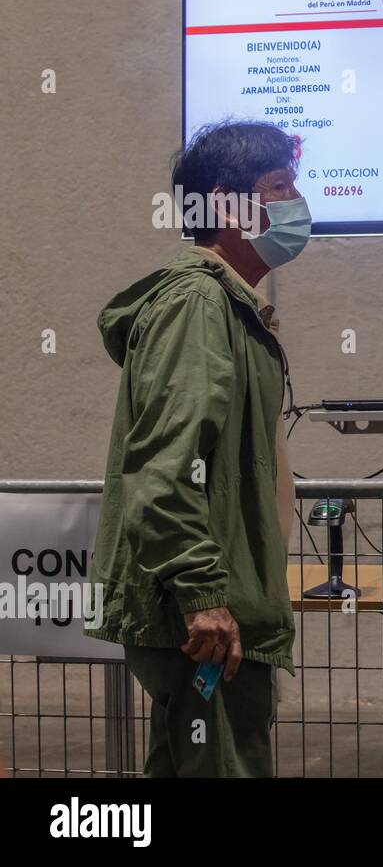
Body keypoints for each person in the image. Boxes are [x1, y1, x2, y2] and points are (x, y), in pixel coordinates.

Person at [86, 120, 311, 776]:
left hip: (214, 607)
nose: (298, 200)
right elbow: (167, 464)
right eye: (281, 185)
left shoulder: (228, 307)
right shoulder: (197, 305)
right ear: (229, 205)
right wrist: (203, 594)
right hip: (208, 618)